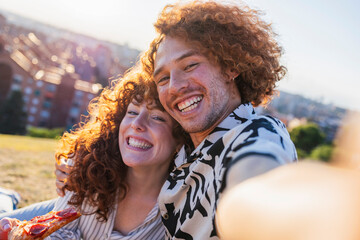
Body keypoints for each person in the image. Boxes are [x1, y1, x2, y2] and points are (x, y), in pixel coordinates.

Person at [0, 66, 189, 239]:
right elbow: (61, 234)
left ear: (180, 138)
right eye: (131, 112)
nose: (137, 124)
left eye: (157, 117)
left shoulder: (183, 209)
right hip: (55, 208)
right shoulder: (88, 165)